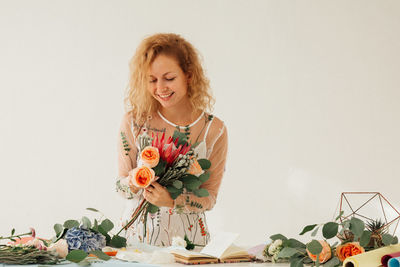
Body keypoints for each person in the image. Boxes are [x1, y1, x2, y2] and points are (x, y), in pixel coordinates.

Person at [116, 33, 228, 247]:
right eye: (152, 80)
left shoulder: (214, 130)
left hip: (189, 245)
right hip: (136, 245)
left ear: (189, 75)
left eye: (169, 78)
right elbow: (119, 186)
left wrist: (173, 201)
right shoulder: (134, 122)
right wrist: (135, 180)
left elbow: (210, 198)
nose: (160, 88)